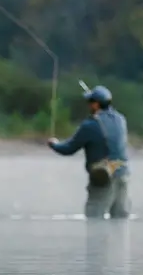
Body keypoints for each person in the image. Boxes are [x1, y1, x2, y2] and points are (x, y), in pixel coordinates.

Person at [47, 84, 131, 219]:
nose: (88, 105)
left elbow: (69, 148)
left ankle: (95, 241)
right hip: (123, 174)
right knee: (120, 219)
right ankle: (120, 241)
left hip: (103, 175)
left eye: (90, 102)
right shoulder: (121, 120)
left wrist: (54, 145)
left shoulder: (90, 125)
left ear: (96, 104)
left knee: (94, 217)